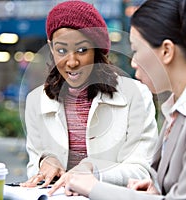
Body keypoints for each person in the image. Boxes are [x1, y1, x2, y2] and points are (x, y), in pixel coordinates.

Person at [63, 0, 186, 199]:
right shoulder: (181, 109)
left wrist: (93, 187)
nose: (133, 62)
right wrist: (156, 189)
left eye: (135, 50)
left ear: (167, 51)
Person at [20, 0, 159, 194]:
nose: (72, 61)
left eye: (82, 50)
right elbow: (33, 169)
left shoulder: (136, 94)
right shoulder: (37, 101)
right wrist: (45, 162)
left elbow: (144, 170)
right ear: (51, 48)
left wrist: (94, 171)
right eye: (61, 50)